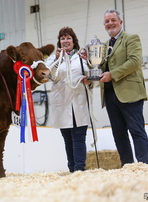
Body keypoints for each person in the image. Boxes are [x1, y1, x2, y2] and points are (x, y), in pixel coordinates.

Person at [98, 9, 148, 166]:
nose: (110, 23)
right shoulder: (104, 45)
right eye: (107, 21)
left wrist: (112, 74)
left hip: (130, 93)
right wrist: (90, 59)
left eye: (113, 20)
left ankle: (142, 167)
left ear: (120, 22)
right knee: (119, 135)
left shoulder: (131, 38)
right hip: (110, 94)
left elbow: (134, 62)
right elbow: (100, 67)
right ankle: (127, 166)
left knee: (137, 131)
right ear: (104, 25)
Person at [46, 27, 92, 173]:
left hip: (78, 102)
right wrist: (57, 60)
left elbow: (91, 75)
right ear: (59, 42)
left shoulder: (81, 57)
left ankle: (79, 170)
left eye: (68, 38)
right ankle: (72, 169)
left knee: (78, 138)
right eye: (63, 38)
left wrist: (89, 81)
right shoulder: (53, 59)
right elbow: (49, 75)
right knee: (68, 140)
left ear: (74, 41)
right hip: (62, 104)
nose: (65, 41)